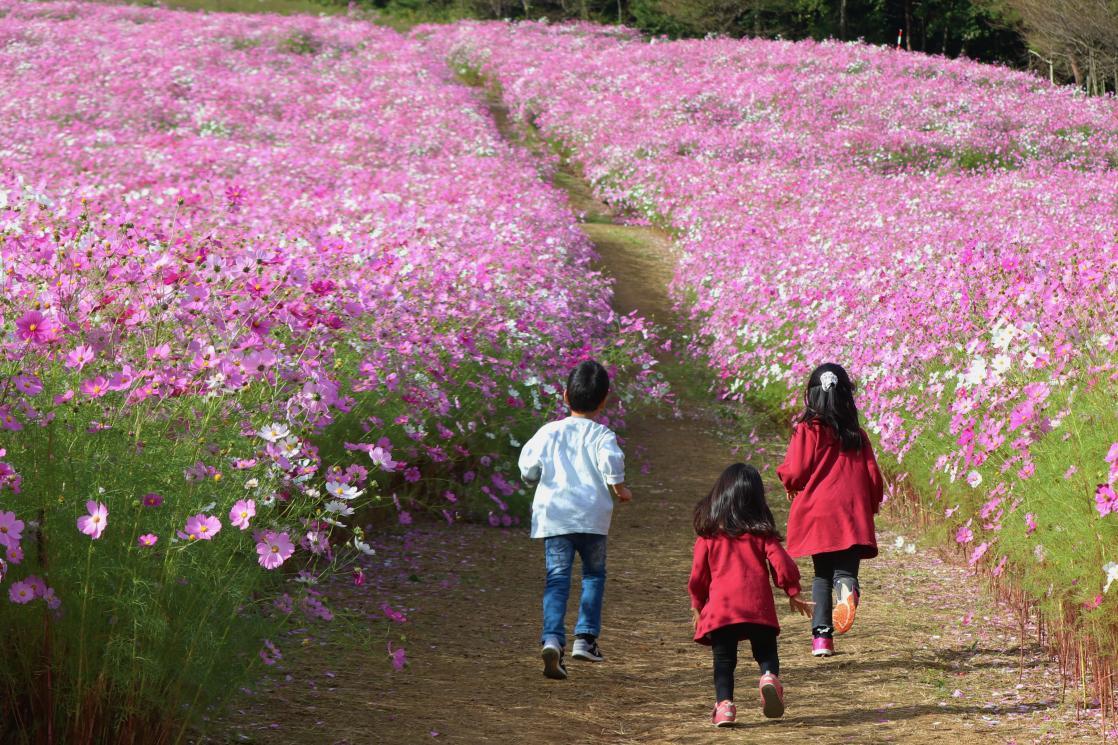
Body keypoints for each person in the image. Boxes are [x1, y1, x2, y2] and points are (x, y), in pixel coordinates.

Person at [519, 359, 633, 680]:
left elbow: (528, 468)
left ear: (565, 396)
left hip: (554, 517)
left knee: (557, 579)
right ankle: (585, 639)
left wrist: (536, 478)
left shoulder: (548, 432)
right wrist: (620, 489)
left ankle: (552, 639)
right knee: (593, 575)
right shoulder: (602, 435)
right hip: (592, 518)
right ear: (604, 400)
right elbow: (611, 463)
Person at [688, 463, 812, 726]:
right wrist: (792, 590)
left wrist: (697, 605)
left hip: (722, 611)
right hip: (758, 609)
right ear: (757, 500)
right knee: (766, 652)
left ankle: (725, 707)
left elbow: (698, 576)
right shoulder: (761, 535)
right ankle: (768, 676)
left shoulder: (708, 537)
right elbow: (783, 563)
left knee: (723, 661)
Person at [776, 363, 884, 658]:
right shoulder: (856, 435)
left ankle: (821, 639)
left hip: (817, 512)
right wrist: (871, 503)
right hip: (850, 510)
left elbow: (796, 469)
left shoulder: (808, 430)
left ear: (812, 396)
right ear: (847, 396)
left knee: (821, 574)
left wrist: (790, 482)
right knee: (843, 569)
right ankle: (847, 587)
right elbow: (873, 476)